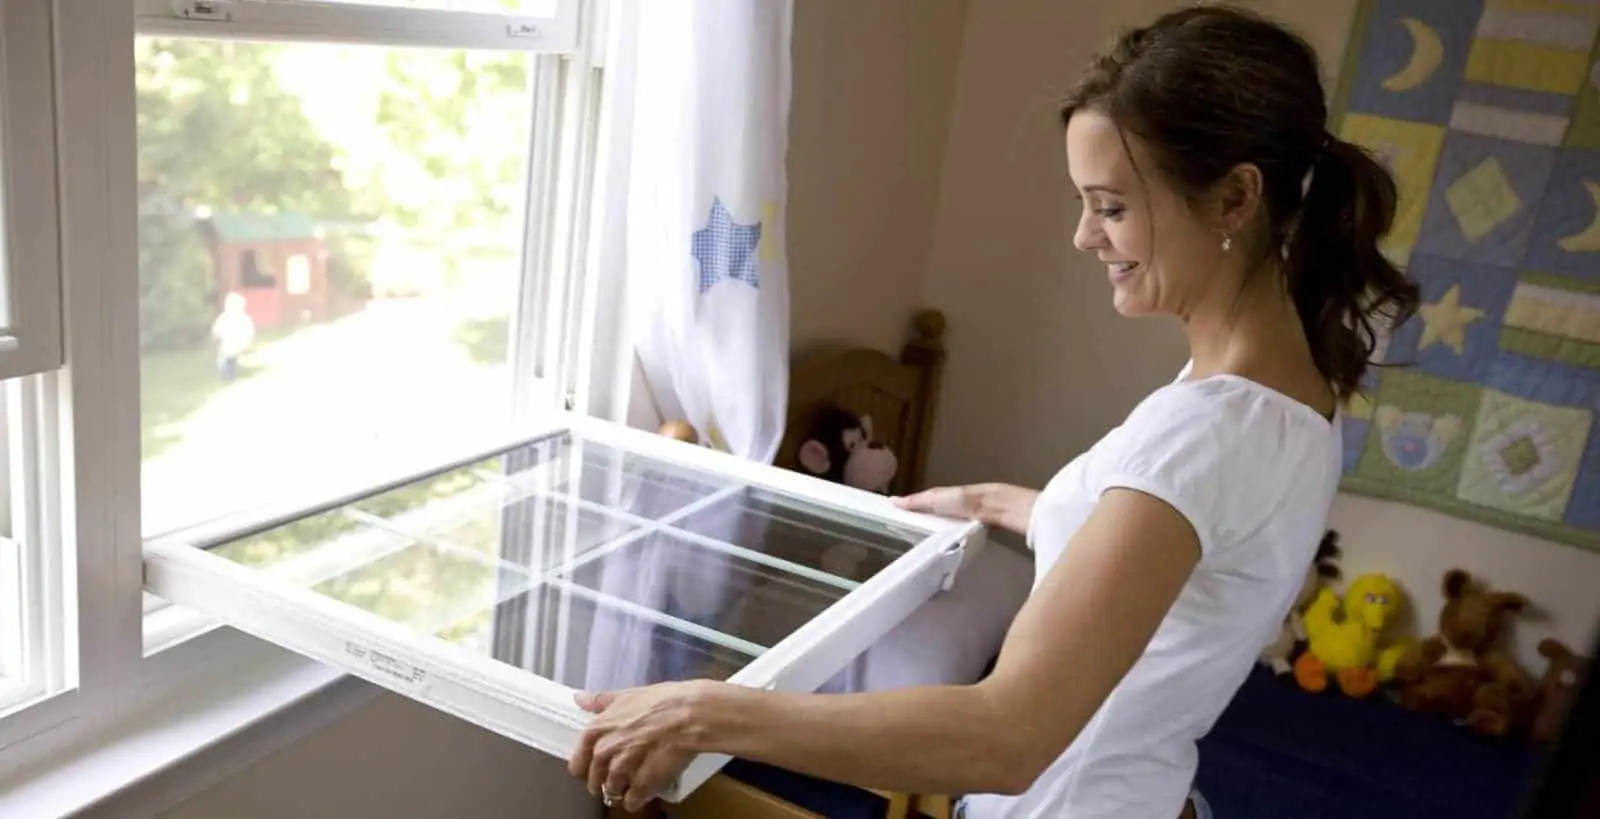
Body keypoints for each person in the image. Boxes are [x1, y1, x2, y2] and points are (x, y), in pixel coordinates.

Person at [567, 5, 1421, 818]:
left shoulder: (1206, 431)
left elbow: (1007, 734)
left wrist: (710, 713)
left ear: (1236, 199)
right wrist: (994, 503)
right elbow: (1170, 563)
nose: (1085, 237)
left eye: (1112, 206)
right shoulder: (1302, 394)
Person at [212, 291, 255, 382]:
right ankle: (229, 372)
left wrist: (216, 336)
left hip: (229, 344)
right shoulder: (244, 318)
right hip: (237, 344)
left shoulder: (225, 318)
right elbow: (250, 331)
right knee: (229, 358)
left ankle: (228, 374)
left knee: (225, 358)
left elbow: (217, 330)